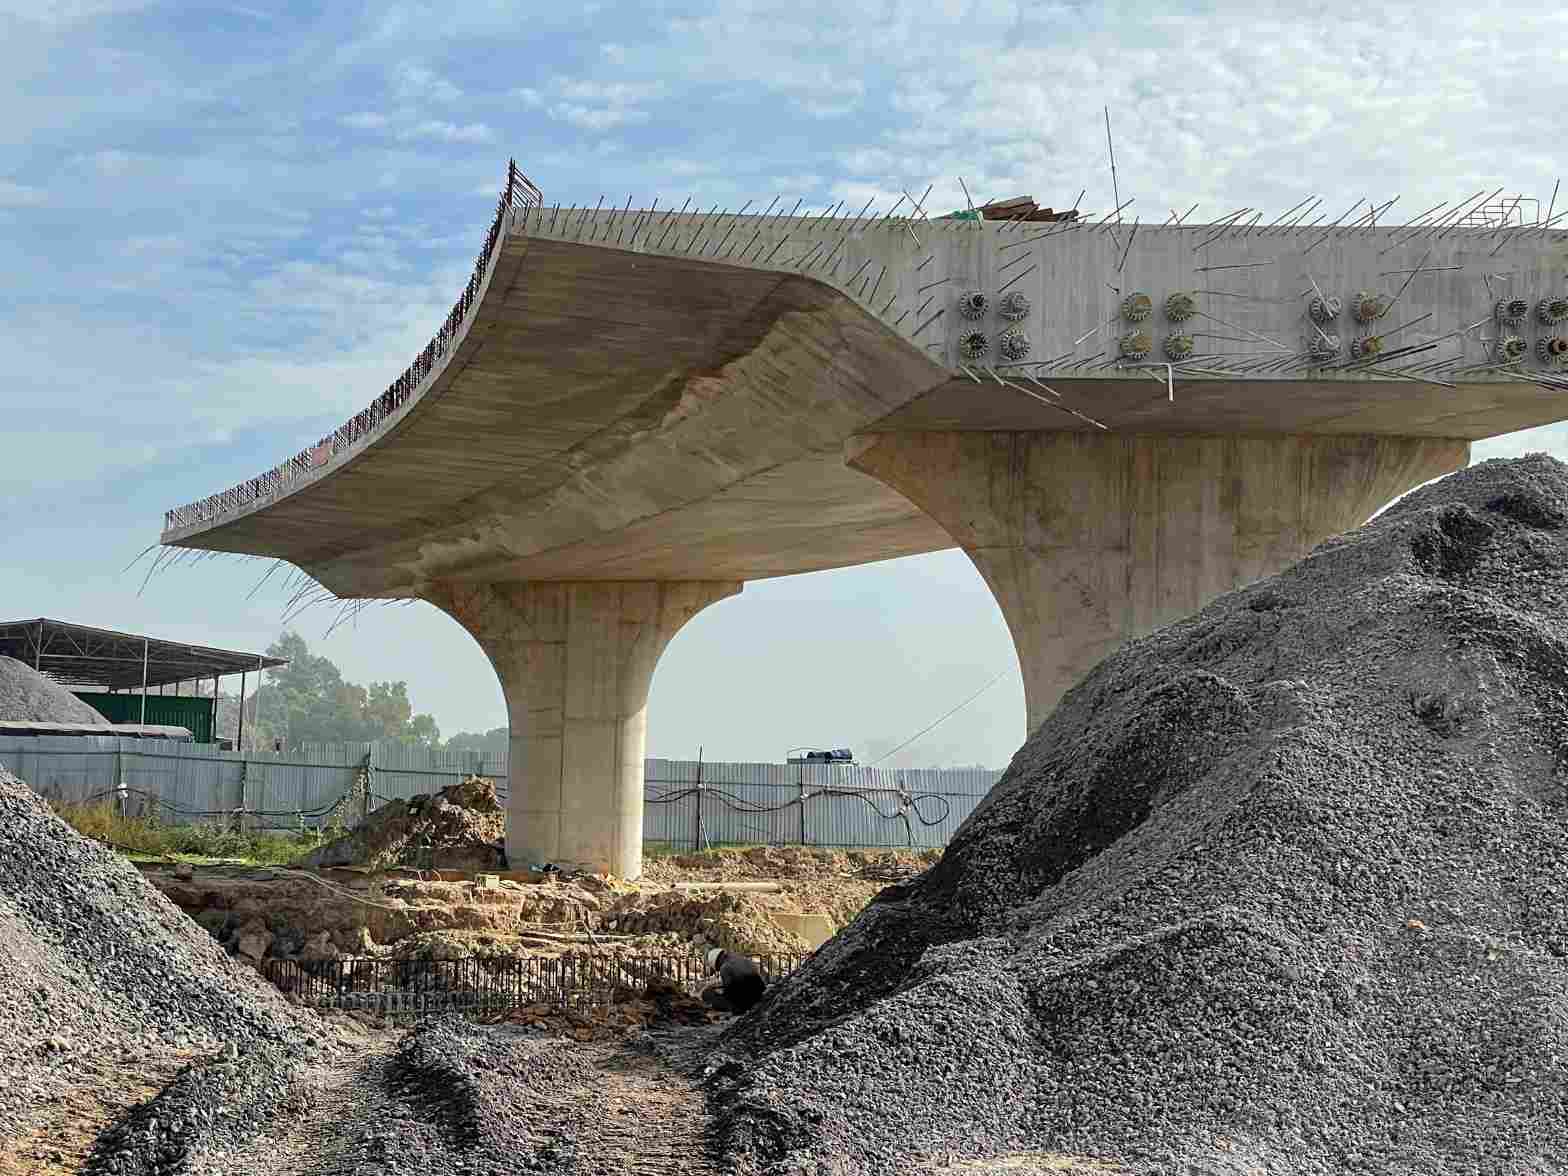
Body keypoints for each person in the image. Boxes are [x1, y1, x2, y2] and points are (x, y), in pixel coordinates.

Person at [701, 947, 767, 1014]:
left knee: (707, 994)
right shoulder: (743, 959)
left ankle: (734, 1008)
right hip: (758, 996)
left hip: (744, 1003)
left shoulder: (725, 968)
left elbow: (729, 991)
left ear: (718, 962)